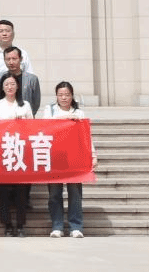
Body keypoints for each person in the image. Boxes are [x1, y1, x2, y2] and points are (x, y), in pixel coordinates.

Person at [42, 81, 95, 239]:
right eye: (60, 95)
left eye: (67, 95)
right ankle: (57, 226)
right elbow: (46, 125)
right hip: (55, 156)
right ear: (56, 96)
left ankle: (76, 226)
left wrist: (93, 155)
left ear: (72, 96)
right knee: (54, 194)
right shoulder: (49, 110)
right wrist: (67, 118)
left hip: (74, 157)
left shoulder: (79, 113)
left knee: (75, 193)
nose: (64, 98)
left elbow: (86, 136)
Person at [0, 73, 34, 236]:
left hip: (21, 151)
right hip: (3, 151)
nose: (10, 87)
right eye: (6, 84)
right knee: (3, 191)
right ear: (2, 87)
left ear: (18, 86)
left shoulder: (25, 105)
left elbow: (33, 127)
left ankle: (21, 224)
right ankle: (7, 224)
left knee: (21, 191)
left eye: (12, 84)